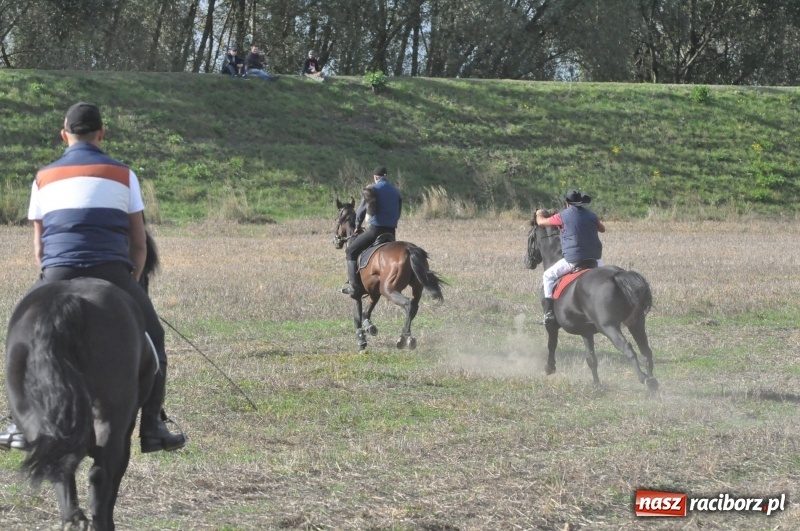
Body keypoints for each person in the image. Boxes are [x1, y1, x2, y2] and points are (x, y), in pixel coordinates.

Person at [0, 102, 187, 454]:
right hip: (111, 272)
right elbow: (138, 241)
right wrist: (131, 276)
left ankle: (18, 423)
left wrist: (51, 273)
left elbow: (39, 247)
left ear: (64, 134)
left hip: (56, 272)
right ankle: (153, 427)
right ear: (101, 134)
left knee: (17, 338)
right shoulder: (123, 174)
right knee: (155, 340)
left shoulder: (43, 177)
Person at [534, 189, 606, 324]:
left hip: (574, 260)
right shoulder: (591, 215)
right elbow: (602, 229)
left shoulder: (562, 216)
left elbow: (541, 222)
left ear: (567, 203)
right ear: (581, 203)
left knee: (548, 276)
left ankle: (549, 313)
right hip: (595, 259)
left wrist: (539, 213)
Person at [339, 166, 402, 297]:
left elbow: (362, 210)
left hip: (375, 230)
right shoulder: (396, 191)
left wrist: (357, 225)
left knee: (350, 251)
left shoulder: (371, 189)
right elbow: (399, 211)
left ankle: (354, 287)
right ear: (386, 177)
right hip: (391, 232)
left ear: (375, 177)